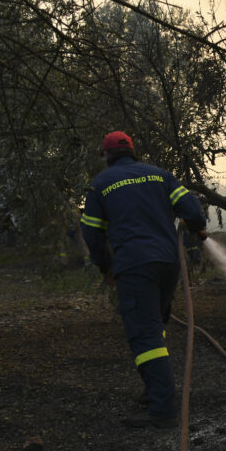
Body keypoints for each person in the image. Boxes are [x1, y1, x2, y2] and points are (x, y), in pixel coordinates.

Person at [81, 131, 207, 429]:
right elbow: (191, 209)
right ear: (133, 151)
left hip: (135, 267)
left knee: (145, 335)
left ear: (106, 155)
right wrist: (198, 227)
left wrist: (104, 265)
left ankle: (163, 410)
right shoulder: (159, 175)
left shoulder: (100, 185)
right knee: (154, 326)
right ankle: (154, 388)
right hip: (167, 263)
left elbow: (92, 233)